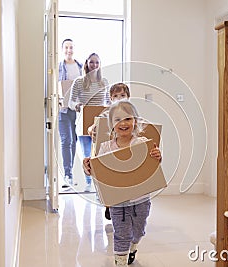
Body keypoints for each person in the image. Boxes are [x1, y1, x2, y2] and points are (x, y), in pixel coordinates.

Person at [82, 100, 162, 266]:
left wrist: (157, 157)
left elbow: (152, 167)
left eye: (127, 119)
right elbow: (97, 172)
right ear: (111, 124)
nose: (123, 123)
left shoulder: (142, 143)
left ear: (135, 121)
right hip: (118, 203)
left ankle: (134, 246)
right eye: (117, 120)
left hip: (141, 200)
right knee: (121, 233)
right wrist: (88, 166)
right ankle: (120, 261)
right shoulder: (105, 148)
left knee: (138, 231)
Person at [87, 82, 131, 221]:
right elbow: (95, 124)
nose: (119, 99)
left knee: (125, 181)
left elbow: (142, 126)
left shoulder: (132, 113)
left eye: (122, 95)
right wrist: (92, 129)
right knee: (110, 181)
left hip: (126, 151)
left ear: (128, 97)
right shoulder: (108, 112)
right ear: (111, 99)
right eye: (115, 96)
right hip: (110, 152)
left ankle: (126, 207)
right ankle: (109, 206)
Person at [68, 52, 110, 191]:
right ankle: (88, 182)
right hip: (84, 123)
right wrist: (78, 106)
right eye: (92, 62)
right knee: (87, 153)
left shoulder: (104, 82)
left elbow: (109, 102)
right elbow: (71, 102)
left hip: (100, 123)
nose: (94, 65)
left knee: (100, 153)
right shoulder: (79, 81)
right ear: (86, 63)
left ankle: (99, 185)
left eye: (97, 62)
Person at [58, 38, 83, 188]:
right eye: (66, 47)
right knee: (66, 140)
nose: (69, 50)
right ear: (62, 49)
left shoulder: (80, 66)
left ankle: (71, 172)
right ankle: (67, 174)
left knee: (74, 141)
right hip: (63, 109)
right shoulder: (59, 66)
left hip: (77, 110)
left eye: (71, 47)